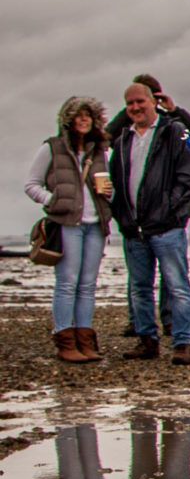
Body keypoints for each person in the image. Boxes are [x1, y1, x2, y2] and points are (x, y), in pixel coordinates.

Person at [107, 80, 190, 362]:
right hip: (133, 227)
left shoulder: (174, 131)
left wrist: (170, 207)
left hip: (167, 226)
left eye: (141, 101)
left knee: (177, 284)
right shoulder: (123, 138)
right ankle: (146, 340)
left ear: (154, 101)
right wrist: (121, 213)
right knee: (139, 287)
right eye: (129, 103)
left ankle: (183, 342)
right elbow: (112, 169)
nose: (135, 107)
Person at [26, 95, 111, 362]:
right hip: (66, 224)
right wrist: (52, 200)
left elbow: (109, 188)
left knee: (87, 285)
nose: (84, 119)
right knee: (66, 283)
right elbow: (32, 184)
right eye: (78, 115)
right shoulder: (51, 148)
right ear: (68, 119)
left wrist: (109, 192)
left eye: (89, 115)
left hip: (95, 225)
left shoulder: (99, 152)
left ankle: (85, 342)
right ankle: (64, 340)